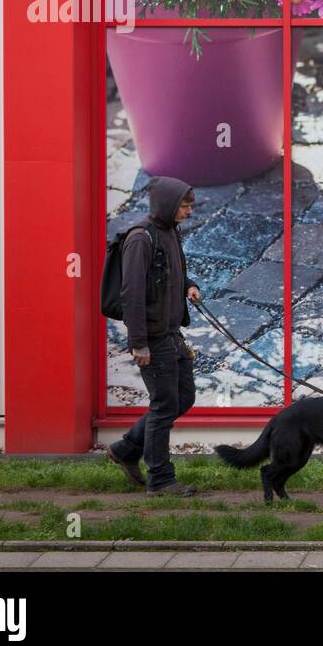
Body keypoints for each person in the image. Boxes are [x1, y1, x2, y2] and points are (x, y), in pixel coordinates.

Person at [106, 176, 202, 495]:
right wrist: (138, 344)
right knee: (163, 405)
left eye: (189, 206)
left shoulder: (169, 232)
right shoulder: (140, 239)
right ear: (169, 204)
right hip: (153, 339)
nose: (188, 211)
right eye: (185, 206)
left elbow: (175, 271)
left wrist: (189, 285)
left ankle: (126, 448)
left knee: (183, 397)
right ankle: (160, 479)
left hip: (171, 334)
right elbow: (131, 294)